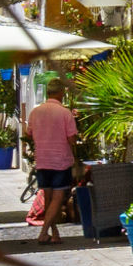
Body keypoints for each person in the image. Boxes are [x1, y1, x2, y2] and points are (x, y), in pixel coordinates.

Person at [23, 86, 80, 245]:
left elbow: (28, 133)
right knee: (57, 198)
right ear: (60, 93)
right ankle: (43, 233)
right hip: (60, 161)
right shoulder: (65, 113)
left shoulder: (35, 112)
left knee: (48, 198)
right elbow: (71, 139)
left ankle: (54, 233)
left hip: (42, 160)